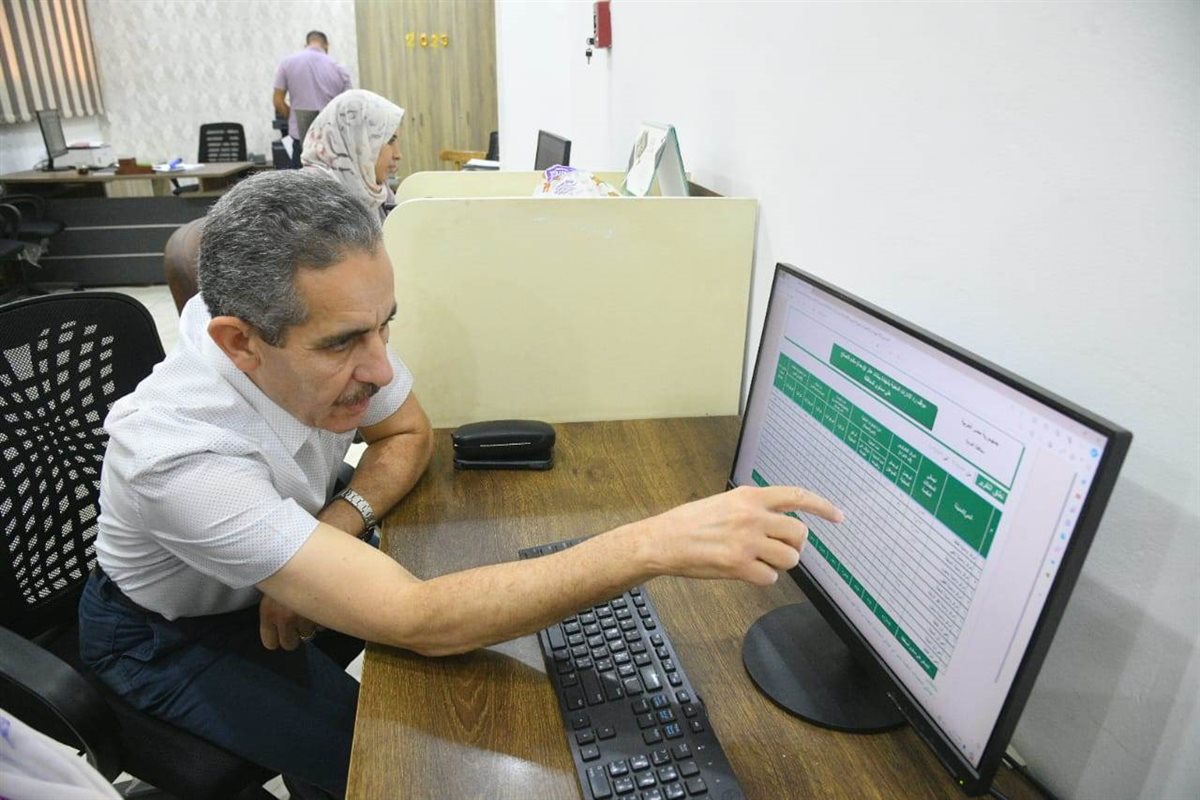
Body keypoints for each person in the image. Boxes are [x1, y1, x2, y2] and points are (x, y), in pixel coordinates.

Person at [79, 170, 844, 798]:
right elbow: (421, 619)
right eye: (345, 343)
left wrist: (326, 532)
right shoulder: (176, 453)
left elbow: (407, 432)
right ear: (239, 344)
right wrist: (657, 542)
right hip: (171, 635)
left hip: (277, 572)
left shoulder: (317, 329)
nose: (381, 367)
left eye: (385, 325)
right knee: (396, 771)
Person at [301, 89, 405, 221]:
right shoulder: (311, 201)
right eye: (389, 140)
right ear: (357, 142)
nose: (398, 154)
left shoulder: (374, 190)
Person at [274, 30, 353, 167]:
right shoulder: (340, 69)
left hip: (301, 141)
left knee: (300, 180)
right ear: (326, 45)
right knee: (328, 180)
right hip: (331, 143)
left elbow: (278, 102)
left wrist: (293, 119)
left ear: (306, 44)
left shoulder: (287, 63)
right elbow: (348, 108)